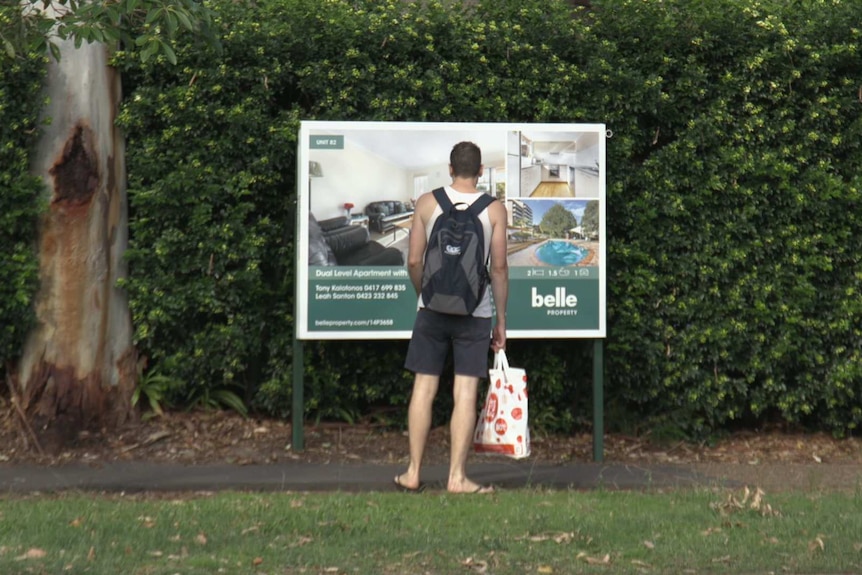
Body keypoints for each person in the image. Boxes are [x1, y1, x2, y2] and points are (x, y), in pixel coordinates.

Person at [394, 141, 508, 494]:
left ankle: (413, 472)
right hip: (475, 313)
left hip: (431, 310)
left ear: (449, 168)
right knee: (465, 394)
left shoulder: (427, 203)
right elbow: (500, 268)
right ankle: (456, 478)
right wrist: (500, 320)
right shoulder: (494, 210)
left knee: (424, 388)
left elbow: (413, 261)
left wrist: (424, 296)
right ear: (480, 172)